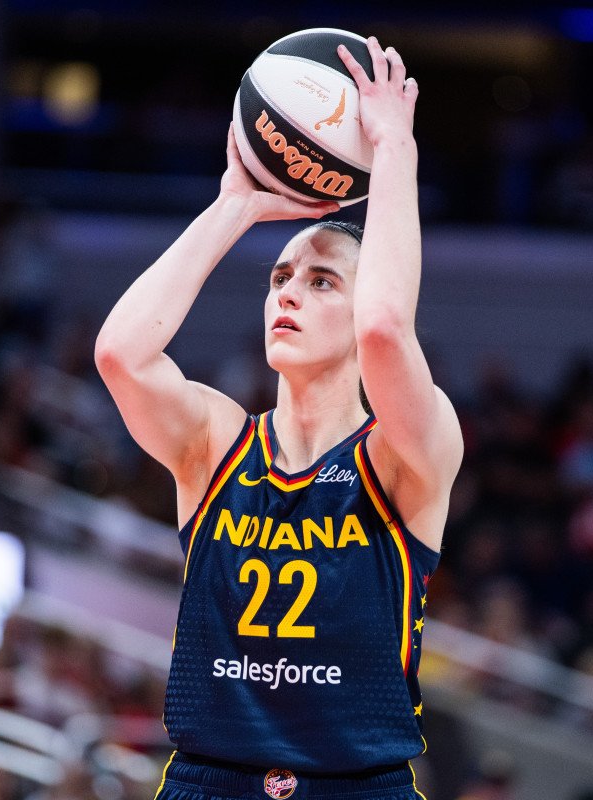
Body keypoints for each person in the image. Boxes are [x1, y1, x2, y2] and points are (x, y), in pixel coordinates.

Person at [94, 37, 462, 800]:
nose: (288, 291)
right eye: (280, 275)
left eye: (322, 281)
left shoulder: (401, 454)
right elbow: (121, 355)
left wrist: (394, 149)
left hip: (357, 786)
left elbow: (385, 329)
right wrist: (235, 204)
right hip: (208, 781)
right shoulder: (217, 442)